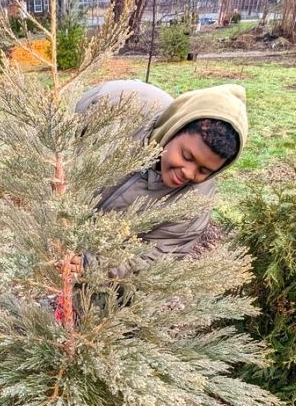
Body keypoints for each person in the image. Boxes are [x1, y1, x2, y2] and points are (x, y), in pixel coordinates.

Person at [76, 79, 249, 275]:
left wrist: (92, 265)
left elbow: (155, 260)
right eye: (187, 156)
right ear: (173, 129)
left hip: (102, 263)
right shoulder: (118, 106)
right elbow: (61, 144)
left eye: (204, 171)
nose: (189, 173)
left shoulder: (195, 203)